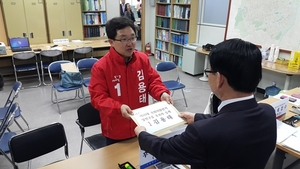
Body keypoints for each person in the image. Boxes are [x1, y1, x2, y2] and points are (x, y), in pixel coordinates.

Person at [134, 38, 277, 169]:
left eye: (209, 71)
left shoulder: (202, 133)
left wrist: (142, 134)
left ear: (219, 78)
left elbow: (164, 149)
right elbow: (230, 121)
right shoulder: (268, 112)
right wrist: (197, 117)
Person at [88, 16, 173, 146]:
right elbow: (98, 98)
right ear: (111, 41)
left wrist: (162, 93)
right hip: (116, 131)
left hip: (141, 125)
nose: (130, 43)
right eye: (123, 39)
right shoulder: (101, 67)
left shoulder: (142, 59)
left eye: (132, 38)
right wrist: (118, 107)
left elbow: (152, 81)